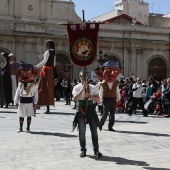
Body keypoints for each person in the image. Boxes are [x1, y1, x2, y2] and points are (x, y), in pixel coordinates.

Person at [72, 71, 102, 158]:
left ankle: (96, 150)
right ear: (80, 78)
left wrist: (89, 96)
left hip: (91, 109)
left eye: (85, 78)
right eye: (82, 78)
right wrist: (82, 89)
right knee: (82, 132)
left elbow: (98, 99)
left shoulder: (92, 87)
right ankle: (83, 150)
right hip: (81, 109)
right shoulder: (76, 87)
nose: (84, 80)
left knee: (94, 131)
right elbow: (75, 98)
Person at [14, 61, 38, 132]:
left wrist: (35, 103)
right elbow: (17, 93)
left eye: (28, 72)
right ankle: (21, 127)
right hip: (21, 102)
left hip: (29, 102)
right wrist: (16, 101)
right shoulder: (20, 84)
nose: (25, 74)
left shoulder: (33, 85)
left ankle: (28, 128)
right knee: (21, 115)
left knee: (29, 115)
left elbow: (36, 95)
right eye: (22, 72)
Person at [98, 61, 121, 131]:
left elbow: (117, 91)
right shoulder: (103, 83)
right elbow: (100, 93)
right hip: (106, 100)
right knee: (105, 114)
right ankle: (100, 125)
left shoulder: (115, 83)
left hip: (113, 100)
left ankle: (110, 127)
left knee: (112, 114)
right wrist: (101, 101)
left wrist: (119, 98)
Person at [35, 40, 56, 113]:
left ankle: (38, 104)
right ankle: (47, 107)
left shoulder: (47, 52)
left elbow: (44, 61)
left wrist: (37, 66)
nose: (45, 45)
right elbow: (54, 64)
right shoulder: (54, 53)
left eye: (45, 43)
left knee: (42, 87)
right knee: (49, 88)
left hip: (46, 70)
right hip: (50, 71)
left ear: (48, 44)